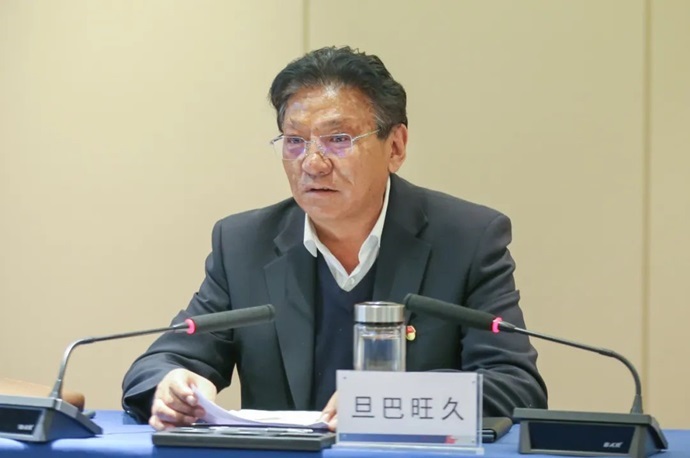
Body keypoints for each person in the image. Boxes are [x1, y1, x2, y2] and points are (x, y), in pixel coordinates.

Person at [121, 46, 548, 431]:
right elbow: (162, 361)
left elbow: (515, 386)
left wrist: (393, 402)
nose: (312, 163)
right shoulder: (244, 244)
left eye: (338, 139)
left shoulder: (466, 239)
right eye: (294, 141)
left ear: (396, 146)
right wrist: (172, 384)